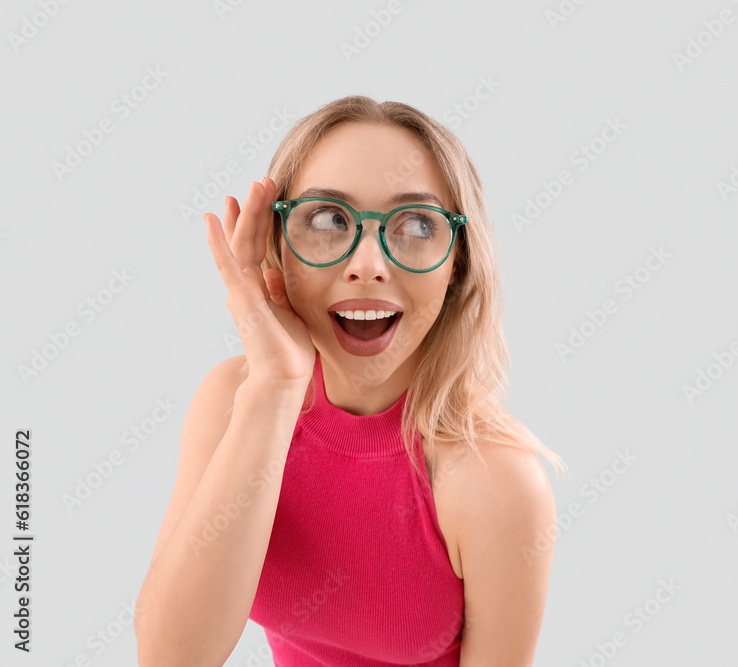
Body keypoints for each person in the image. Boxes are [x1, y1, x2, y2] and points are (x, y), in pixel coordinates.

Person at [134, 95, 569, 666]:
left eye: (417, 224)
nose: (369, 263)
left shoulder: (497, 482)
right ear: (277, 243)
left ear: (457, 262)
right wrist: (274, 387)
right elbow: (170, 659)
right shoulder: (234, 401)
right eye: (327, 220)